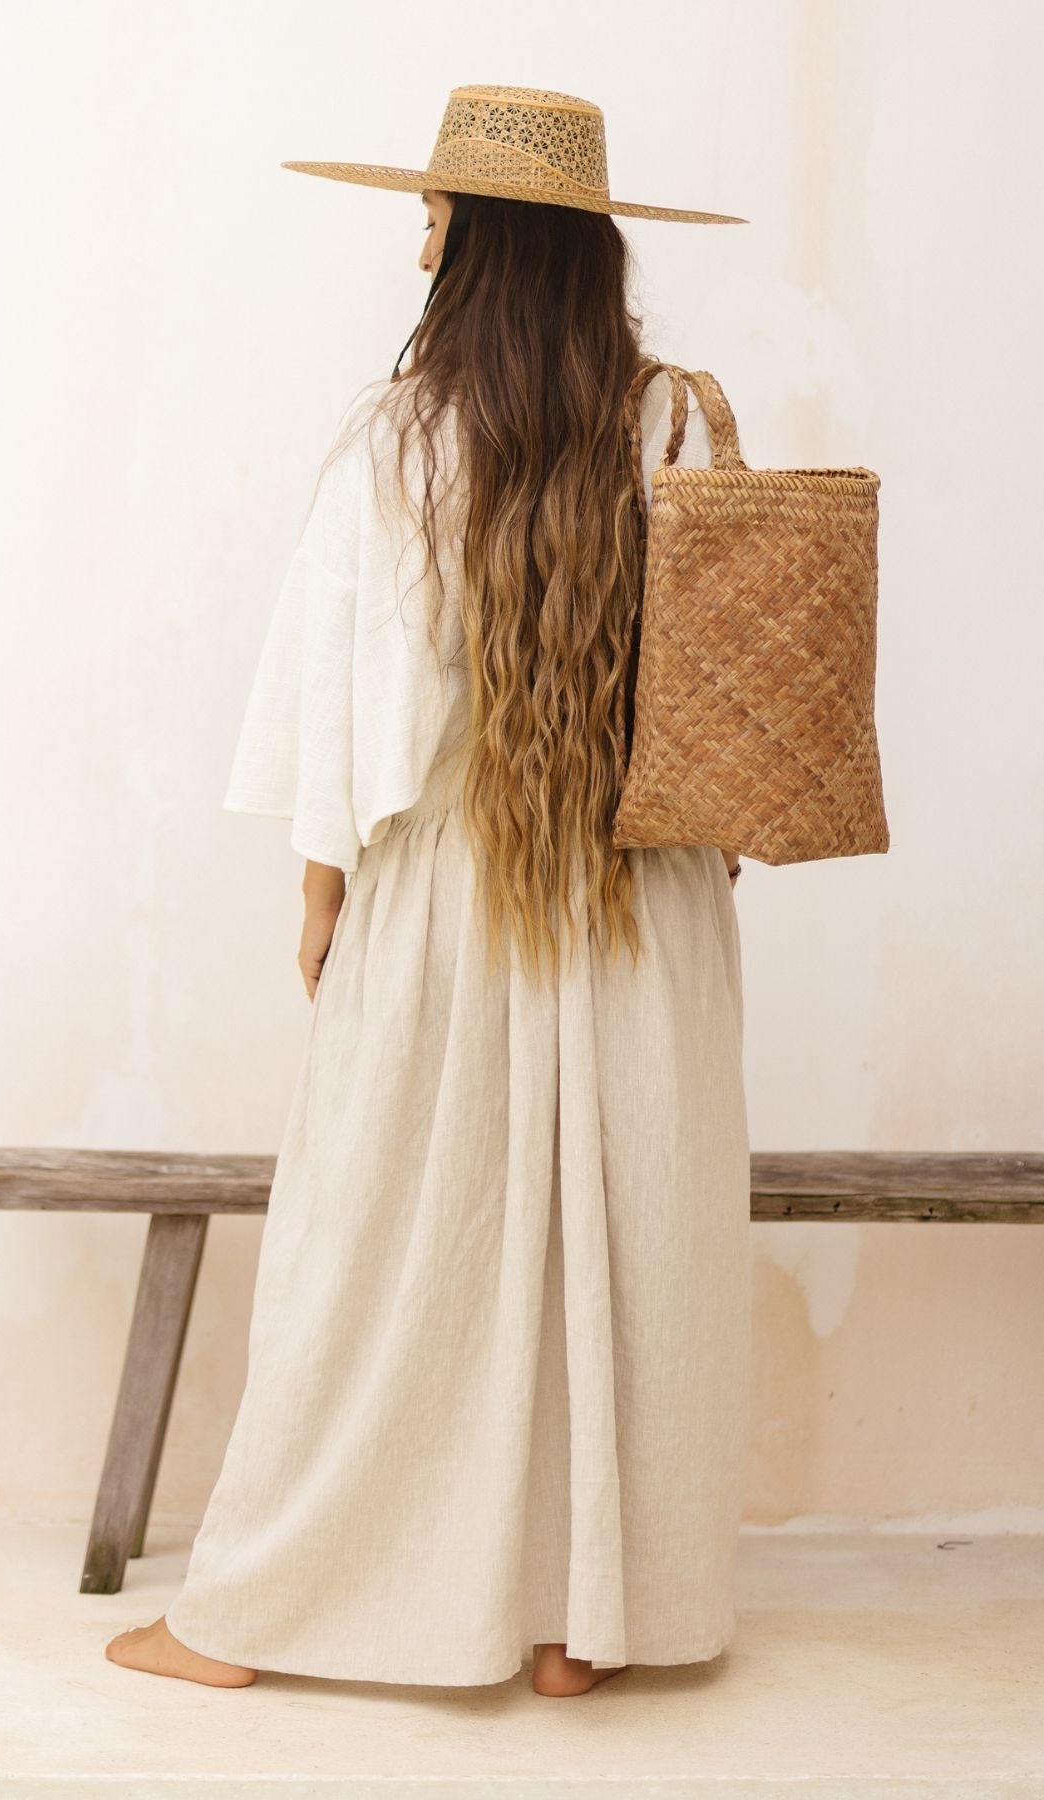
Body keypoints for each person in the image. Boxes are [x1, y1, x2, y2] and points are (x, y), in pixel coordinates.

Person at [106, 84, 749, 1700]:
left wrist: (321, 896)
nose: (416, 244)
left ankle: (265, 1609)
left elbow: (341, 712)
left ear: (478, 251)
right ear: (591, 256)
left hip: (455, 904)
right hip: (640, 907)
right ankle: (575, 1616)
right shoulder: (673, 420)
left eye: (434, 220)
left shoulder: (401, 442)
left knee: (394, 1252)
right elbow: (720, 689)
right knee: (617, 1245)